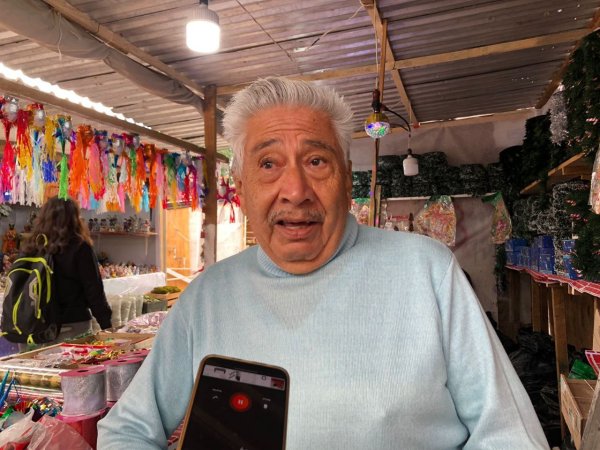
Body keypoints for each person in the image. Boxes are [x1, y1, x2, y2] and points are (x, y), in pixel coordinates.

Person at [97, 77, 548, 449]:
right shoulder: (209, 295)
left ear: (347, 179)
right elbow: (128, 429)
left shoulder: (425, 272)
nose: (295, 189)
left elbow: (509, 433)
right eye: (269, 163)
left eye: (316, 160)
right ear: (242, 186)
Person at [21, 197, 112, 341]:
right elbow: (94, 291)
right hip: (72, 325)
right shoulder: (80, 247)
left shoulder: (32, 246)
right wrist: (107, 327)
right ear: (75, 219)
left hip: (35, 326)